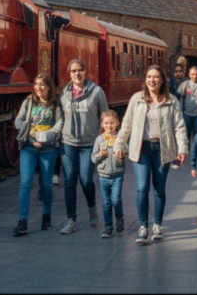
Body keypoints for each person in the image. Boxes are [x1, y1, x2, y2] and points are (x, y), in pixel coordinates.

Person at [114, 64, 188, 245]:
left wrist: (182, 148)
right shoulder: (137, 99)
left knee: (159, 190)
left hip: (162, 149)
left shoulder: (171, 101)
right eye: (149, 77)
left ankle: (157, 225)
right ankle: (143, 227)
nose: (152, 80)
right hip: (141, 149)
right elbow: (127, 124)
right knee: (141, 189)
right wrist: (119, 143)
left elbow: (179, 126)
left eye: (156, 77)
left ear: (162, 80)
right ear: (145, 80)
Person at [57, 59, 108, 234]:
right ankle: (71, 220)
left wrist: (104, 140)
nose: (76, 74)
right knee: (69, 181)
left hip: (89, 144)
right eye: (73, 71)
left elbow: (105, 117)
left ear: (86, 71)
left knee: (86, 180)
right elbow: (60, 118)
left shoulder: (96, 92)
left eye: (80, 70)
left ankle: (92, 206)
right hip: (68, 143)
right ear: (69, 73)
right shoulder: (64, 93)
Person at [13, 73, 63, 235]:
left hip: (48, 149)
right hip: (29, 148)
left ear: (49, 87)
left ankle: (46, 216)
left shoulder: (55, 104)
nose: (38, 87)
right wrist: (30, 134)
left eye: (42, 84)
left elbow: (58, 126)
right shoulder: (28, 102)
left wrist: (45, 137)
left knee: (47, 185)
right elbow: (18, 121)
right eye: (36, 84)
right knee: (25, 184)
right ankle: (22, 220)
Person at [91, 110, 126, 238]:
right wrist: (100, 154)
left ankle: (120, 219)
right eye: (106, 123)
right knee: (106, 203)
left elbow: (127, 152)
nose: (109, 126)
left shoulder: (120, 139)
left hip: (117, 174)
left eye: (111, 123)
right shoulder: (99, 140)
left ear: (117, 123)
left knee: (116, 200)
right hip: (103, 176)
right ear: (102, 124)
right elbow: (93, 158)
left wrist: (122, 155)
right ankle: (108, 226)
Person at [176, 66, 197, 144]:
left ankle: (196, 154)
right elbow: (179, 99)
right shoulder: (185, 85)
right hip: (187, 115)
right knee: (186, 136)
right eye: (193, 74)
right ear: (189, 75)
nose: (195, 76)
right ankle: (186, 154)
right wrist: (180, 113)